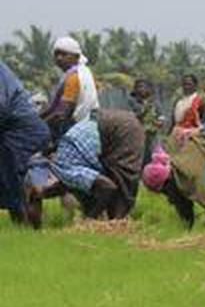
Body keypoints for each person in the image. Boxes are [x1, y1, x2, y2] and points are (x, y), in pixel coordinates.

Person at [26, 110, 145, 225]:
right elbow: (68, 184)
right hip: (112, 123)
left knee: (121, 183)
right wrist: (41, 193)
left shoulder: (63, 166)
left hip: (119, 130)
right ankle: (113, 227)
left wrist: (89, 220)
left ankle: (117, 228)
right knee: (99, 188)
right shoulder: (63, 160)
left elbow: (108, 187)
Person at [0, 60, 51, 224]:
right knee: (11, 180)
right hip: (18, 132)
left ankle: (24, 224)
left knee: (12, 180)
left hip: (22, 134)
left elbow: (2, 106)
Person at [41, 37, 99, 143]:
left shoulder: (73, 78)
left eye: (64, 54)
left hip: (76, 127)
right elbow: (52, 109)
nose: (59, 58)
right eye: (56, 54)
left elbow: (62, 113)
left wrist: (40, 124)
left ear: (76, 57)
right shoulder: (84, 73)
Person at [168, 74, 205, 143]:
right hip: (176, 134)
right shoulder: (178, 101)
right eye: (184, 84)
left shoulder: (200, 100)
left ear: (195, 85)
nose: (186, 87)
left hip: (193, 135)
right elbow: (174, 122)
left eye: (189, 84)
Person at [128, 78, 165, 163]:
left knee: (154, 156)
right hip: (137, 134)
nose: (141, 89)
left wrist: (160, 122)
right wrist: (142, 112)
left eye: (143, 87)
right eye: (139, 87)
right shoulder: (132, 102)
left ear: (148, 89)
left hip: (153, 135)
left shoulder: (154, 102)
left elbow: (161, 116)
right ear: (135, 89)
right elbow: (129, 116)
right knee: (139, 157)